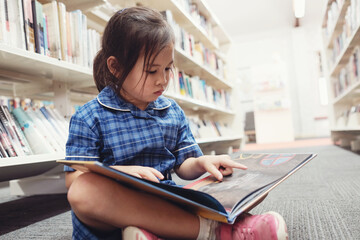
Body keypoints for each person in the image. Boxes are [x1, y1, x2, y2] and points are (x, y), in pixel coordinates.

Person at [64, 6, 288, 240]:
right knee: (83, 191)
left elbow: (184, 165)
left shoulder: (171, 111)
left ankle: (155, 232)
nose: (162, 80)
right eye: (151, 71)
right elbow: (74, 178)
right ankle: (217, 231)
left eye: (168, 69)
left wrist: (203, 162)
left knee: (249, 177)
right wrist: (121, 173)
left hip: (166, 200)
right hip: (115, 208)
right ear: (116, 67)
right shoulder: (88, 117)